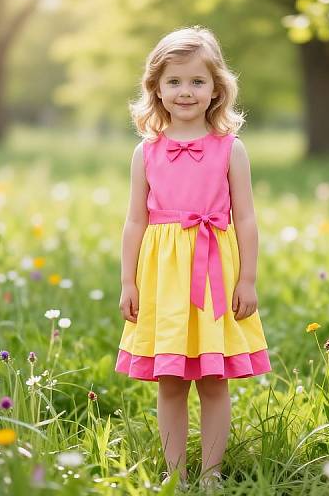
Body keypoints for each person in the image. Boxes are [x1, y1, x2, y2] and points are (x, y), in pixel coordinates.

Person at [115, 25, 272, 492]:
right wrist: (128, 281)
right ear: (157, 89)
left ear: (216, 88)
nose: (186, 91)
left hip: (214, 274)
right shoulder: (146, 152)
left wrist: (248, 279)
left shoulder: (230, 149)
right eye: (175, 82)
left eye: (197, 82)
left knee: (213, 376)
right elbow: (134, 223)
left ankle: (211, 473)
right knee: (170, 379)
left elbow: (245, 218)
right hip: (162, 276)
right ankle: (176, 474)